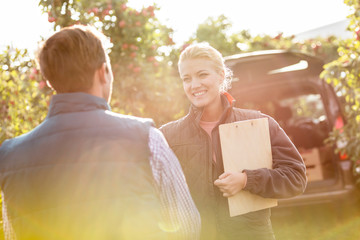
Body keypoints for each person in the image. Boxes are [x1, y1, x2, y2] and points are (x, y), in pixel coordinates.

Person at [0, 25, 200, 240]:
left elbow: (13, 235)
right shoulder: (146, 138)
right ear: (103, 72)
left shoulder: (10, 156)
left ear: (50, 81)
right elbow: (188, 227)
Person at [160, 43, 307, 240]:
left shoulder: (258, 123)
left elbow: (296, 177)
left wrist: (247, 180)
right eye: (187, 78)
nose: (194, 85)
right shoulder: (168, 136)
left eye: (202, 75)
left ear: (220, 76)